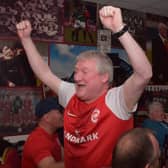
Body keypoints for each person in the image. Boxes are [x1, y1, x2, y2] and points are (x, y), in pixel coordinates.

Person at [16, 5, 152, 168]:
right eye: (76, 71)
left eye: (84, 71)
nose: (77, 77)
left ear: (104, 77)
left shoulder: (116, 101)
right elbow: (45, 74)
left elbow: (144, 74)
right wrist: (26, 40)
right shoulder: (71, 93)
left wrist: (119, 29)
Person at [21, 97, 64, 168]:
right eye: (59, 112)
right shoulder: (37, 140)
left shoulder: (54, 134)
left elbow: (63, 158)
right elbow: (49, 166)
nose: (63, 115)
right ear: (47, 118)